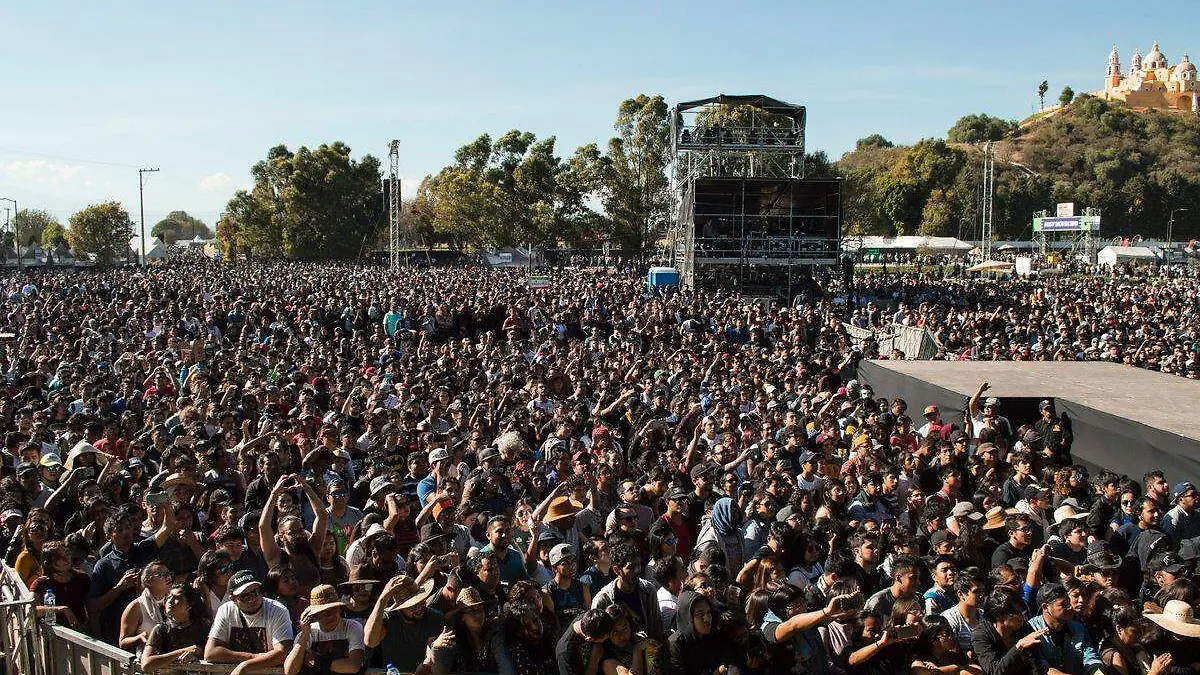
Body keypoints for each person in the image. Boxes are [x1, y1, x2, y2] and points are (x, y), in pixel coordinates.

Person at [205, 570, 295, 675]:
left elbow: (282, 653)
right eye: (244, 596)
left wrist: (246, 666)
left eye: (255, 592)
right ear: (233, 598)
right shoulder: (226, 610)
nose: (252, 599)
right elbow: (211, 653)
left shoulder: (278, 610)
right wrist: (252, 657)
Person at [362, 572, 442, 672]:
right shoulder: (388, 618)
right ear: (401, 607)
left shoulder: (433, 617)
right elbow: (370, 641)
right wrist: (382, 600)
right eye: (412, 606)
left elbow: (430, 657)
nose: (418, 608)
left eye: (420, 601)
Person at [283, 584, 365, 675]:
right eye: (323, 611)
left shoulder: (352, 627)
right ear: (315, 615)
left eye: (333, 609)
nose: (329, 615)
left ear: (339, 609)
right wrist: (305, 634)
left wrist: (318, 660)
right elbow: (290, 670)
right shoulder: (308, 633)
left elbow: (354, 666)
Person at [429, 586, 512, 674]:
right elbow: (439, 672)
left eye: (480, 609)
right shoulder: (453, 638)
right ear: (462, 617)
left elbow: (506, 665)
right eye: (471, 611)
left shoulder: (493, 633)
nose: (477, 614)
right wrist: (437, 648)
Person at [1025, 584, 1103, 675]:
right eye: (1063, 604)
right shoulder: (1032, 630)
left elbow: (1090, 657)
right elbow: (1041, 667)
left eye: (1069, 602)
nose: (1069, 607)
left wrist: (1098, 672)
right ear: (1046, 607)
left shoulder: (1078, 629)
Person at [592, 543, 663, 640]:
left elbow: (656, 627)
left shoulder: (648, 590)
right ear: (617, 570)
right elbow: (597, 637)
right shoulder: (603, 599)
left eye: (639, 565)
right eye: (631, 567)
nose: (637, 570)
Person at [141, 583, 212, 673]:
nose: (170, 601)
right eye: (169, 597)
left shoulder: (204, 627)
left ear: (189, 605)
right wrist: (181, 652)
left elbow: (211, 652)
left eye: (177, 598)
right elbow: (146, 664)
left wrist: (196, 653)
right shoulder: (161, 629)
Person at [970, 589, 1044, 675]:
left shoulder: (1024, 627)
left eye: (1022, 612)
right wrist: (1018, 647)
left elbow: (1035, 664)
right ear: (999, 615)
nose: (1022, 617)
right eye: (1017, 613)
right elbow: (994, 670)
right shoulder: (981, 635)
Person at [666, 590, 728, 675]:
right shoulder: (676, 644)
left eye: (708, 612)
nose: (707, 619)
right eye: (700, 615)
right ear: (689, 618)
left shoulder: (712, 635)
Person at [556, 607, 615, 675]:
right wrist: (594, 660)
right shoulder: (565, 653)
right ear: (589, 639)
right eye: (606, 638)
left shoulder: (588, 617)